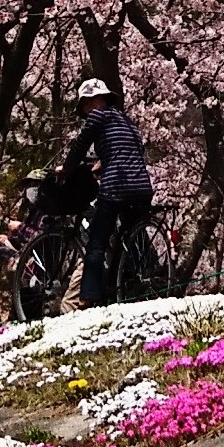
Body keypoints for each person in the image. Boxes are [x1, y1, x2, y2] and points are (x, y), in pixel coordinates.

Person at [60, 78, 153, 308]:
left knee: (97, 242)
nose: (84, 110)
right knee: (134, 237)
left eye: (84, 105)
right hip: (141, 186)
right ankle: (143, 281)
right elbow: (133, 149)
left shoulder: (98, 117)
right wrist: (105, 161)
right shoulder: (127, 121)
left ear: (90, 101)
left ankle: (88, 296)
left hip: (117, 184)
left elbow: (81, 145)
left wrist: (67, 168)